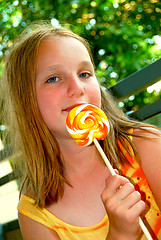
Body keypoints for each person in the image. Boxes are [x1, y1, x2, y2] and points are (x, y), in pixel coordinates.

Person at [1, 22, 161, 240]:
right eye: (53, 78)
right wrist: (120, 235)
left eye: (84, 74)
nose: (77, 88)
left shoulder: (145, 145)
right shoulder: (35, 213)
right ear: (26, 103)